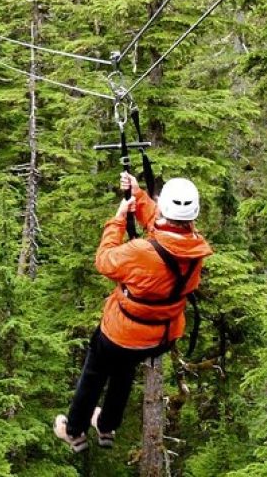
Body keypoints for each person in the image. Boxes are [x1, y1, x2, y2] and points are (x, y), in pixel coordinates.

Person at [54, 172, 213, 452]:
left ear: (164, 206)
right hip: (161, 336)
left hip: (122, 331)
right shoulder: (193, 247)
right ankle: (106, 426)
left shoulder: (141, 251)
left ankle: (75, 429)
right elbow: (164, 227)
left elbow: (104, 261)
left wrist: (118, 218)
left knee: (95, 372)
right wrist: (138, 196)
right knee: (124, 369)